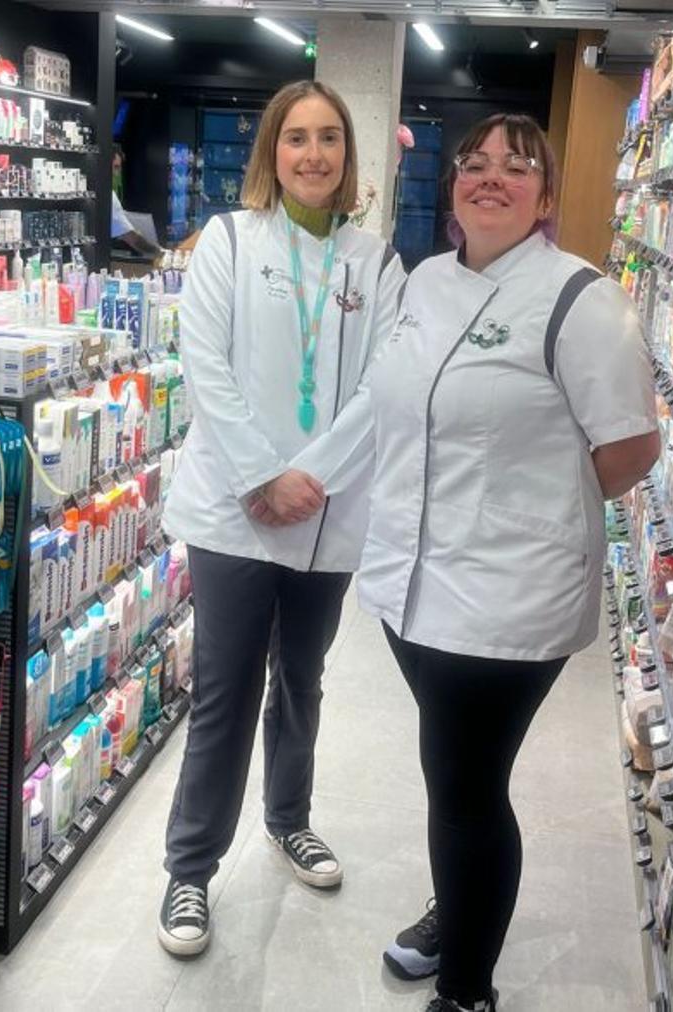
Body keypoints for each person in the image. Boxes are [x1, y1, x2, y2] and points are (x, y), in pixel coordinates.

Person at [357, 113, 659, 1012]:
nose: (492, 177)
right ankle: (462, 903)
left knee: (465, 789)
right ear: (452, 188)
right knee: (459, 779)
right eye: (474, 164)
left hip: (505, 596)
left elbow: (630, 450)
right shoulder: (423, 283)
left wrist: (531, 505)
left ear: (547, 195)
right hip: (409, 584)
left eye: (517, 166)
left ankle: (467, 989)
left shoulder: (580, 299)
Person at [157, 80, 406, 958]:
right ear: (272, 151)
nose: (313, 154)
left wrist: (314, 477)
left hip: (325, 518)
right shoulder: (229, 240)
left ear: (348, 156)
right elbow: (205, 367)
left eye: (329, 138)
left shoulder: (376, 263)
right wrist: (264, 475)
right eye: (296, 137)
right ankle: (188, 873)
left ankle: (287, 818)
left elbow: (386, 385)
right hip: (233, 513)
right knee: (225, 690)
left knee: (302, 678)